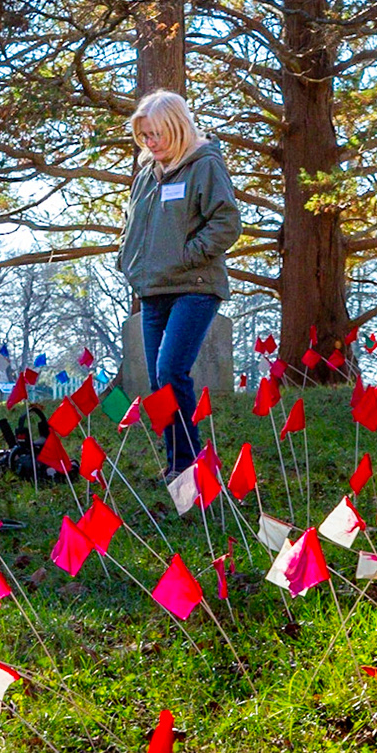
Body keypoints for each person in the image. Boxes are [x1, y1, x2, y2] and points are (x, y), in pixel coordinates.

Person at [117, 90, 241, 479]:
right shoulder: (146, 176)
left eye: (156, 135)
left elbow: (227, 223)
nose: (150, 144)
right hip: (153, 289)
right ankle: (176, 463)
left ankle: (191, 465)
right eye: (144, 137)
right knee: (158, 383)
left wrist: (187, 256)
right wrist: (128, 261)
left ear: (177, 128)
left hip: (195, 286)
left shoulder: (205, 165)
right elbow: (133, 228)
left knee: (172, 370)